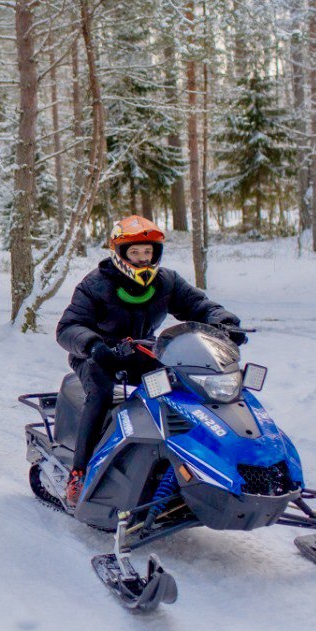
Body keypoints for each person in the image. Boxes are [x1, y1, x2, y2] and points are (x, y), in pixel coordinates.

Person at [55, 215, 246, 509]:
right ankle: (79, 471)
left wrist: (224, 321)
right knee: (101, 394)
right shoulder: (95, 285)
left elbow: (198, 305)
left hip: (144, 353)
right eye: (135, 252)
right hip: (99, 357)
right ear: (119, 254)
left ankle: (189, 462)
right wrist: (94, 345)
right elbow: (68, 328)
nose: (143, 260)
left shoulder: (166, 281)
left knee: (185, 387)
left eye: (148, 252)